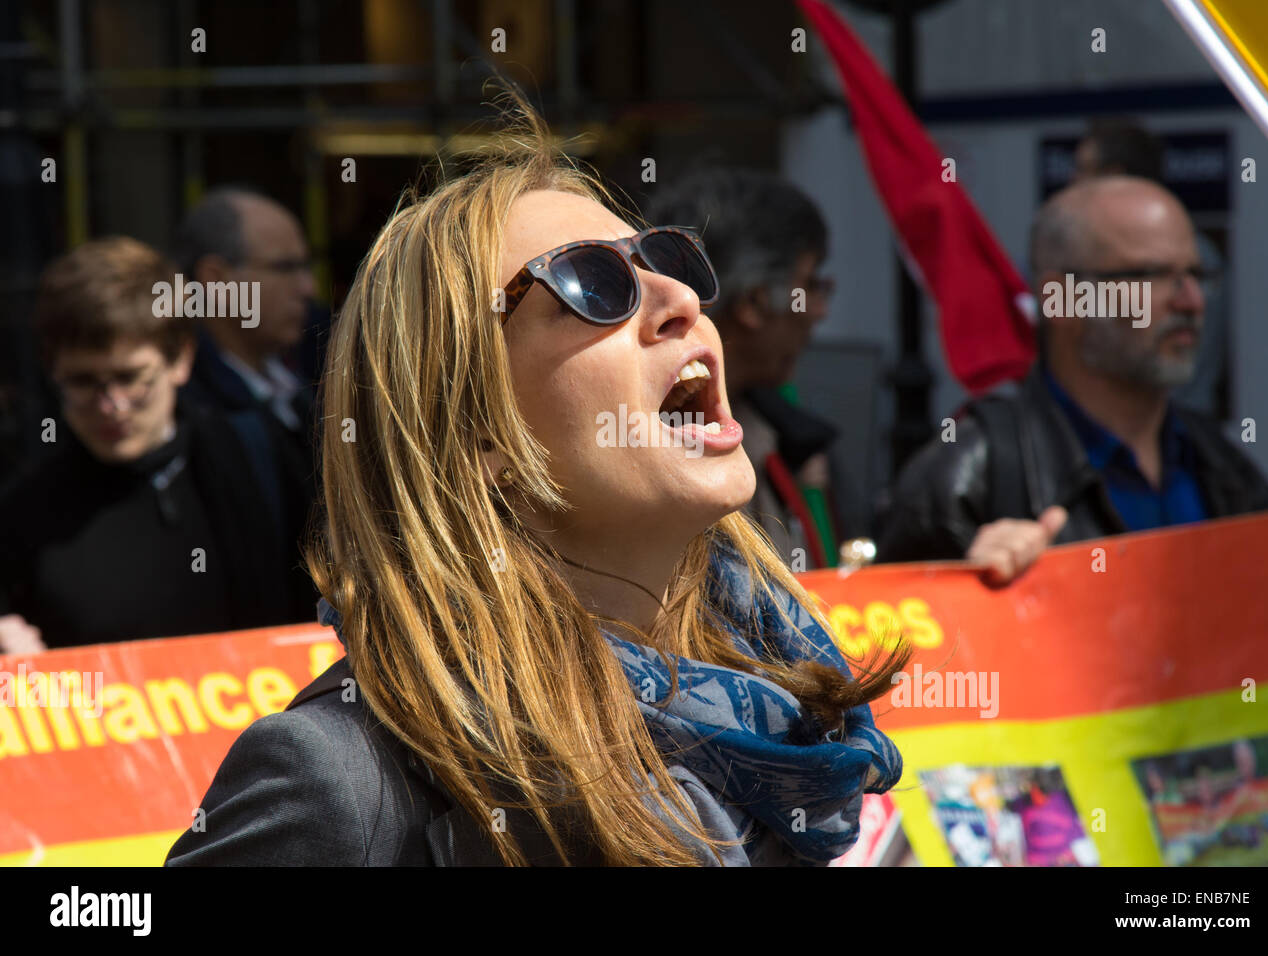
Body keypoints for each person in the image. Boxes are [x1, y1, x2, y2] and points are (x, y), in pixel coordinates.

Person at [166, 95, 909, 867]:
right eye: (593, 284)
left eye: (670, 261)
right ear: (477, 431)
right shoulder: (343, 784)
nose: (683, 301)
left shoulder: (793, 733)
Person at [874, 175, 1268, 580]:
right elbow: (889, 637)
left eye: (1197, 274)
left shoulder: (1222, 468)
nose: (1191, 300)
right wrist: (968, 593)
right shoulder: (969, 478)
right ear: (1061, 299)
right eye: (1150, 275)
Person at [0, 238, 307, 650]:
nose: (111, 406)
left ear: (180, 359)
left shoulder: (261, 459)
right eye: (82, 382)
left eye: (130, 378)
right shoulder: (25, 510)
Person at [645, 168, 840, 568]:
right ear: (752, 304)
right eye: (811, 286)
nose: (818, 312)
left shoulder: (788, 436)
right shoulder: (645, 455)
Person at [170, 187, 320, 565]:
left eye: (306, 267)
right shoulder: (181, 414)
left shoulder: (309, 380)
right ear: (216, 278)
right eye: (285, 268)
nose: (307, 288)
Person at [1073, 117, 1227, 417]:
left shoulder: (1194, 257)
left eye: (1082, 170)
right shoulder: (1079, 264)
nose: (1072, 182)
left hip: (1170, 433)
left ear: (1113, 177)